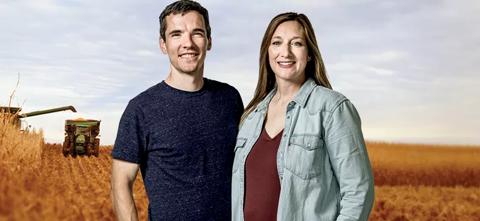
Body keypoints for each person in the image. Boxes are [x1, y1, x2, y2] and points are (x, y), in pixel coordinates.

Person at [232, 12, 374, 221]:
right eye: (277, 43)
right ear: (267, 52)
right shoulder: (251, 116)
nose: (285, 52)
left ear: (309, 53)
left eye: (296, 43)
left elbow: (359, 191)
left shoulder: (332, 108)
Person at [111, 1, 243, 220]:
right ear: (163, 44)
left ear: (209, 41)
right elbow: (120, 183)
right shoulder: (140, 109)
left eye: (197, 33)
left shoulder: (230, 98)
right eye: (176, 34)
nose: (187, 43)